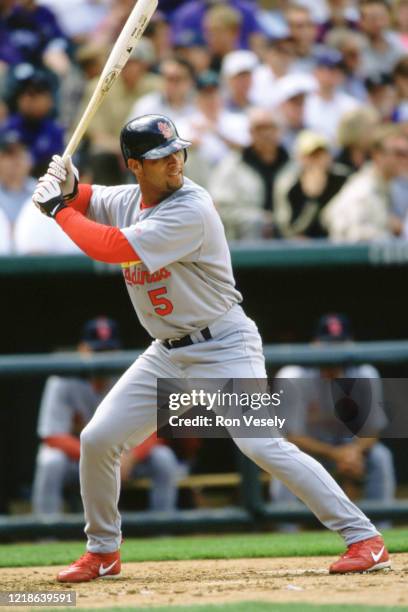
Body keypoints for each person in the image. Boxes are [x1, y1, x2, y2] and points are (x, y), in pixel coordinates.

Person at [33, 113, 390, 582]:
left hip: (223, 344)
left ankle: (364, 538)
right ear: (135, 166)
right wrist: (68, 184)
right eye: (160, 158)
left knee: (262, 445)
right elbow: (88, 198)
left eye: (177, 152)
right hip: (167, 352)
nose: (175, 163)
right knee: (98, 439)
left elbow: (109, 247)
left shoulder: (191, 207)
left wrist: (59, 210)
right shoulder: (126, 198)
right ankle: (103, 551)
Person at [272, 313, 396, 526]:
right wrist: (337, 455)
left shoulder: (364, 373)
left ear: (352, 345)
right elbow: (292, 437)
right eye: (327, 344)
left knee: (381, 458)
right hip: (309, 451)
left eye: (339, 344)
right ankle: (285, 532)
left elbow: (372, 430)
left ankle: (383, 531)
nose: (333, 351)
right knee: (281, 460)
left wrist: (353, 452)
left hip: (351, 449)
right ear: (314, 345)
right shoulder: (293, 375)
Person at [209, 107, 288, 240]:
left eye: (270, 127)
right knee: (256, 223)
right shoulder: (231, 165)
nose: (266, 133)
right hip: (244, 238)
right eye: (260, 128)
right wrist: (259, 218)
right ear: (250, 132)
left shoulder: (292, 163)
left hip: (290, 235)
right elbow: (219, 207)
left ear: (279, 130)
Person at [323, 124, 408, 241]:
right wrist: (388, 232)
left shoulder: (390, 186)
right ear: (378, 155)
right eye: (399, 153)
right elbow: (345, 232)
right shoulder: (362, 188)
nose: (405, 159)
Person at [273, 130, 348, 238]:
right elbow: (291, 231)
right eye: (312, 155)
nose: (318, 160)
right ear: (301, 158)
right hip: (301, 249)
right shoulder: (288, 185)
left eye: (322, 154)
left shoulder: (343, 179)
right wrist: (312, 199)